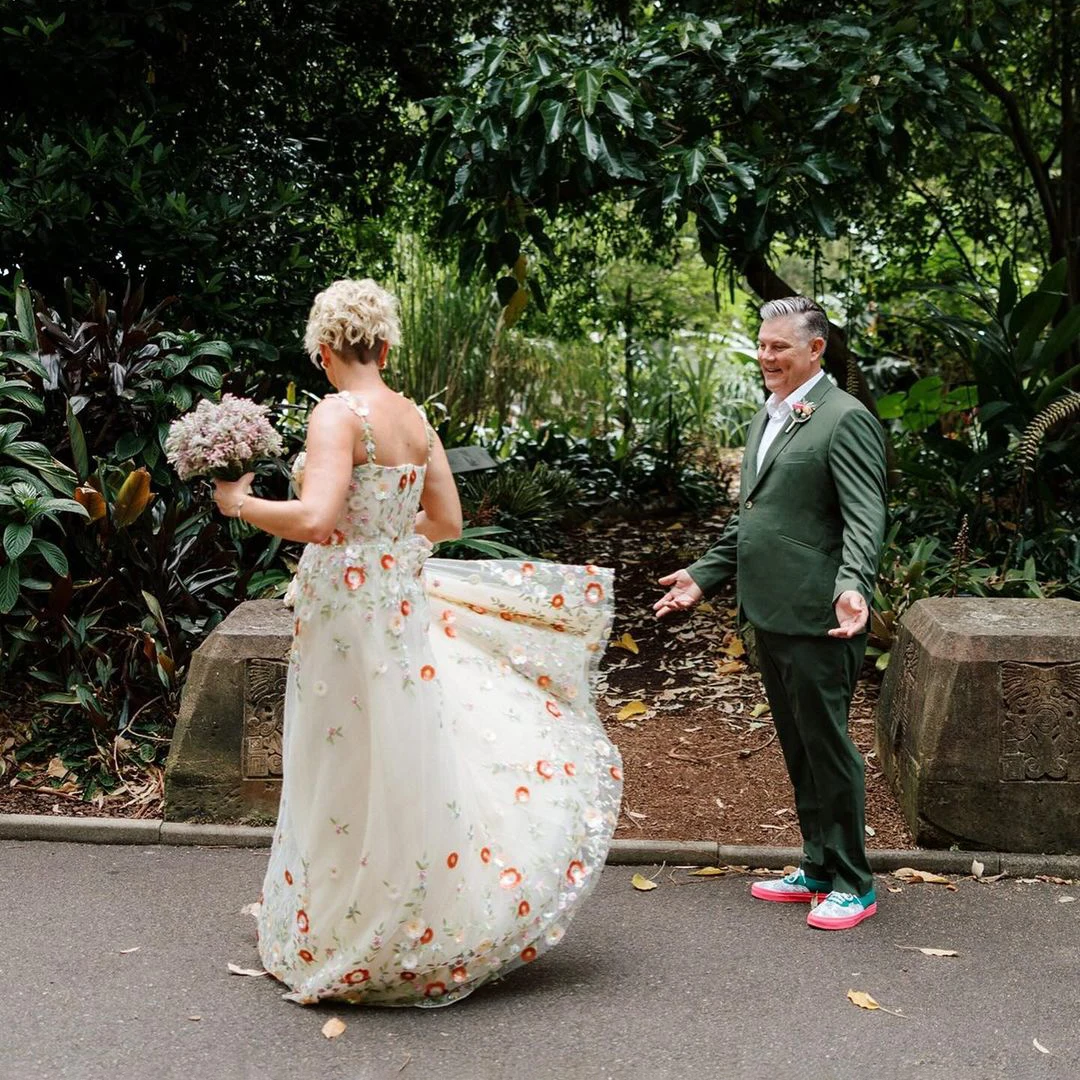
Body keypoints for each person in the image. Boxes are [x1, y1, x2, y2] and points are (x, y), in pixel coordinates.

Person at [213, 279, 622, 1004]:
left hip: (344, 614)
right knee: (402, 753)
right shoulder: (411, 414)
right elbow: (448, 522)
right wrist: (385, 551)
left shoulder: (337, 416)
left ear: (324, 348)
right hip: (395, 604)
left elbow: (313, 518)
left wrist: (239, 502)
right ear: (387, 345)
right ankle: (419, 920)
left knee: (342, 759)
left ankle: (348, 929)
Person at [654, 296, 887, 931]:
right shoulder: (770, 417)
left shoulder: (845, 418)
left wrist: (854, 583)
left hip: (821, 613)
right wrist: (703, 577)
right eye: (762, 345)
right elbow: (756, 518)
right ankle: (815, 865)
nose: (766, 356)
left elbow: (866, 519)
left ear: (816, 350)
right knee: (798, 743)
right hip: (771, 612)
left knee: (828, 746)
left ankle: (853, 881)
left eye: (779, 346)